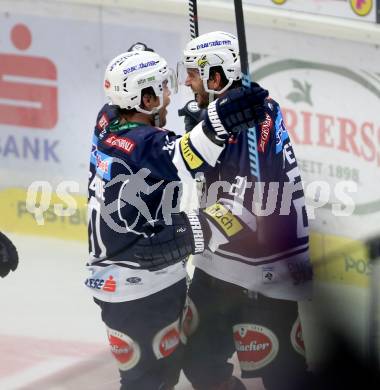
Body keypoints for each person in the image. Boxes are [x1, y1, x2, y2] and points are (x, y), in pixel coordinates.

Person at [85, 44, 269, 390]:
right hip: (141, 280)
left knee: (173, 372)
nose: (171, 95)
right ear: (147, 100)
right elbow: (184, 157)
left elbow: (167, 148)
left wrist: (139, 54)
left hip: (122, 273)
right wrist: (217, 119)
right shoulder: (147, 144)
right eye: (164, 89)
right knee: (150, 383)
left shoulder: (107, 119)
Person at [177, 31, 313, 390]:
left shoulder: (250, 123)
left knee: (285, 379)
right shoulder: (231, 111)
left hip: (264, 272)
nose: (186, 81)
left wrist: (181, 233)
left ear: (216, 77)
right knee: (197, 361)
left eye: (193, 73)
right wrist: (203, 132)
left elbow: (243, 212)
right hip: (222, 264)